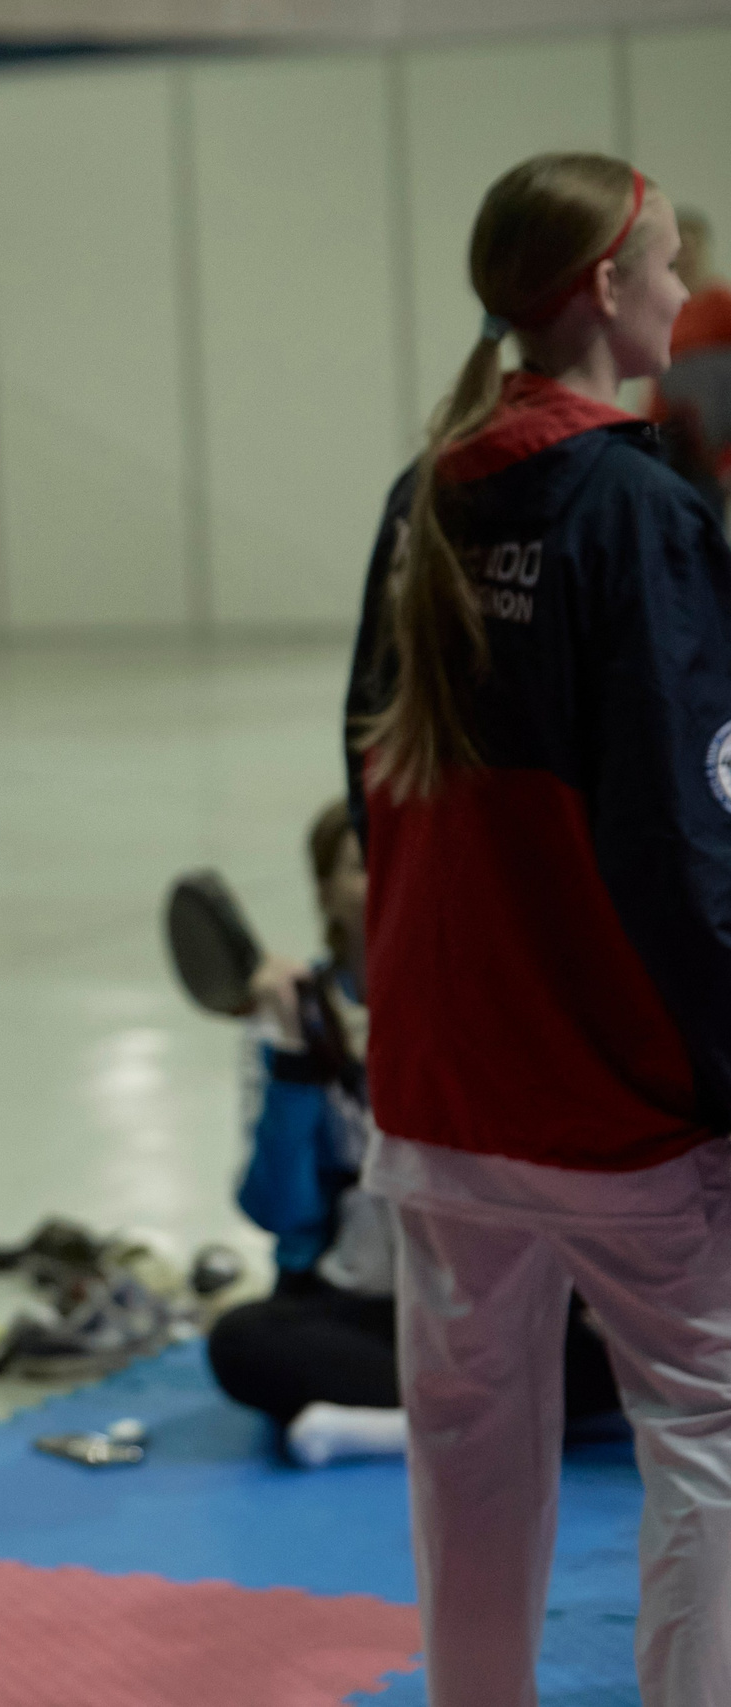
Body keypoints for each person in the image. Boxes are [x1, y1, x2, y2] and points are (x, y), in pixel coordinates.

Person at [342, 152, 731, 1706]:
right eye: (665, 264)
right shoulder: (636, 507)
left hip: (444, 1089)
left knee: (469, 1447)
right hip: (613, 1093)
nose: (681, 289)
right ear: (603, 292)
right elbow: (681, 837)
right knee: (708, 1434)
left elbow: (367, 786)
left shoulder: (428, 487)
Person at [203, 800, 620, 1465]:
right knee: (241, 1342)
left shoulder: (484, 997)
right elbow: (278, 1210)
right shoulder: (288, 1018)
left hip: (481, 1304)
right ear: (324, 894)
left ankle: (395, 1425)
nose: (388, 874)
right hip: (357, 1303)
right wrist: (296, 1064)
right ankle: (486, 1417)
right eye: (362, 863)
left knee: (632, 1341)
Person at [652, 207, 731, 510]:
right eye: (677, 249)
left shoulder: (721, 303)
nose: (684, 257)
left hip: (707, 449)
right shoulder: (668, 305)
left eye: (690, 248)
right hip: (666, 435)